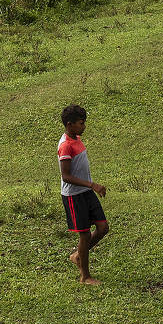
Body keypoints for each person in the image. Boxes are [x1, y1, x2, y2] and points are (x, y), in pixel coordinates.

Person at [58, 103, 111, 285]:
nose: (84, 126)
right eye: (81, 123)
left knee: (103, 227)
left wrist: (90, 187)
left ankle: (79, 256)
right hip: (74, 196)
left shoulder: (77, 138)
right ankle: (85, 276)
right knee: (85, 235)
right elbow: (66, 176)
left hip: (86, 192)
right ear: (69, 124)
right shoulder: (65, 146)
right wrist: (92, 184)